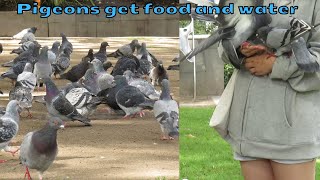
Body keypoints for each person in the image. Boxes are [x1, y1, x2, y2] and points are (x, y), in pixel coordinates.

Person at [217, 0, 320, 179]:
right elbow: (223, 42)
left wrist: (276, 65)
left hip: (292, 133)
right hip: (249, 126)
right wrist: (239, 49)